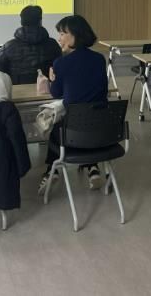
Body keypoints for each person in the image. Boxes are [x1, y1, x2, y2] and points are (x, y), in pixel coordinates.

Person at [38, 15, 108, 195]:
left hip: (72, 132)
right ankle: (92, 167)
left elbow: (56, 94)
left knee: (56, 127)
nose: (59, 38)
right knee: (85, 118)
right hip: (101, 128)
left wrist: (52, 79)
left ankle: (51, 171)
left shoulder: (61, 63)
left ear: (75, 35)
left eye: (62, 34)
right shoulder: (99, 59)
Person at [0, 6, 61, 84]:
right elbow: (60, 69)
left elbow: (0, 71)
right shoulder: (52, 45)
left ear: (21, 21)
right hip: (47, 89)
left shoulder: (8, 46)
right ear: (40, 21)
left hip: (17, 90)